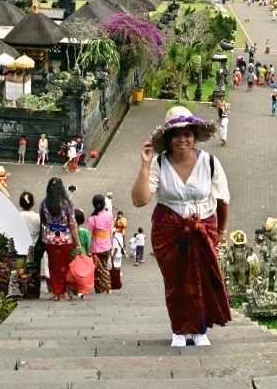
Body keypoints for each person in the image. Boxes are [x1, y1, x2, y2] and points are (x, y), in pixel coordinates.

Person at [131, 106, 231, 347]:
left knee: (202, 279)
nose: (182, 139)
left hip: (203, 228)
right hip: (169, 230)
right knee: (175, 283)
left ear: (195, 136)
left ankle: (199, 330)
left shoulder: (210, 162)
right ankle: (178, 329)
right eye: (176, 134)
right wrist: (144, 165)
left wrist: (220, 232)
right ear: (167, 139)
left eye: (187, 133)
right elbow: (139, 200)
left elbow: (222, 199)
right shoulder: (158, 164)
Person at [40, 177, 84, 301]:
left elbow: (43, 221)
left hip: (50, 239)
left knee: (53, 266)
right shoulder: (67, 204)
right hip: (65, 240)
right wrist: (78, 244)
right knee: (65, 265)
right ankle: (64, 293)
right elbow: (73, 225)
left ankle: (55, 293)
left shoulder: (44, 204)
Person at [86, 194, 114, 294]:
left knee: (100, 269)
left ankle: (105, 287)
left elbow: (89, 236)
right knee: (104, 266)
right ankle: (105, 288)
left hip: (97, 248)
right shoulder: (109, 215)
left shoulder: (92, 219)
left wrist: (88, 249)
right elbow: (111, 231)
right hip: (107, 245)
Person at [19, 192, 41, 299]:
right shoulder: (38, 217)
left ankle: (22, 291)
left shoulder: (17, 216)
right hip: (34, 248)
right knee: (34, 273)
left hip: (21, 249)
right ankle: (33, 293)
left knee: (22, 270)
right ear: (33, 203)